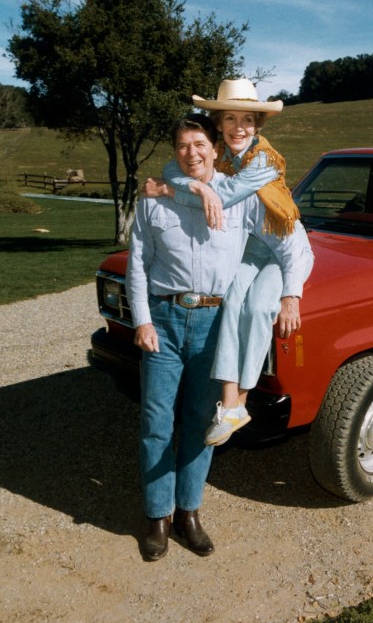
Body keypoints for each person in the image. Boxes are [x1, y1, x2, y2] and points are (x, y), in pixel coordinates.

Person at [127, 113, 309, 561]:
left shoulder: (242, 199)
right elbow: (137, 263)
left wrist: (290, 294)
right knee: (155, 423)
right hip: (165, 324)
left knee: (200, 425)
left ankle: (189, 513)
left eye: (200, 144)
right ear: (176, 153)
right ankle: (157, 518)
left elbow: (290, 245)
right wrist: (142, 321)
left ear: (215, 149)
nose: (192, 153)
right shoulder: (153, 199)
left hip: (213, 326)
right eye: (184, 146)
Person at [144, 78, 313, 447]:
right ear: (218, 124)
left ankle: (244, 400)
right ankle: (229, 402)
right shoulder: (217, 152)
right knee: (230, 302)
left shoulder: (265, 159)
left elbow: (226, 193)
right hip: (251, 247)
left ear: (258, 125)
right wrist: (198, 186)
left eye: (248, 120)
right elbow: (174, 166)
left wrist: (291, 295)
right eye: (231, 119)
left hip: (285, 248)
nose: (240, 128)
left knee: (254, 308)